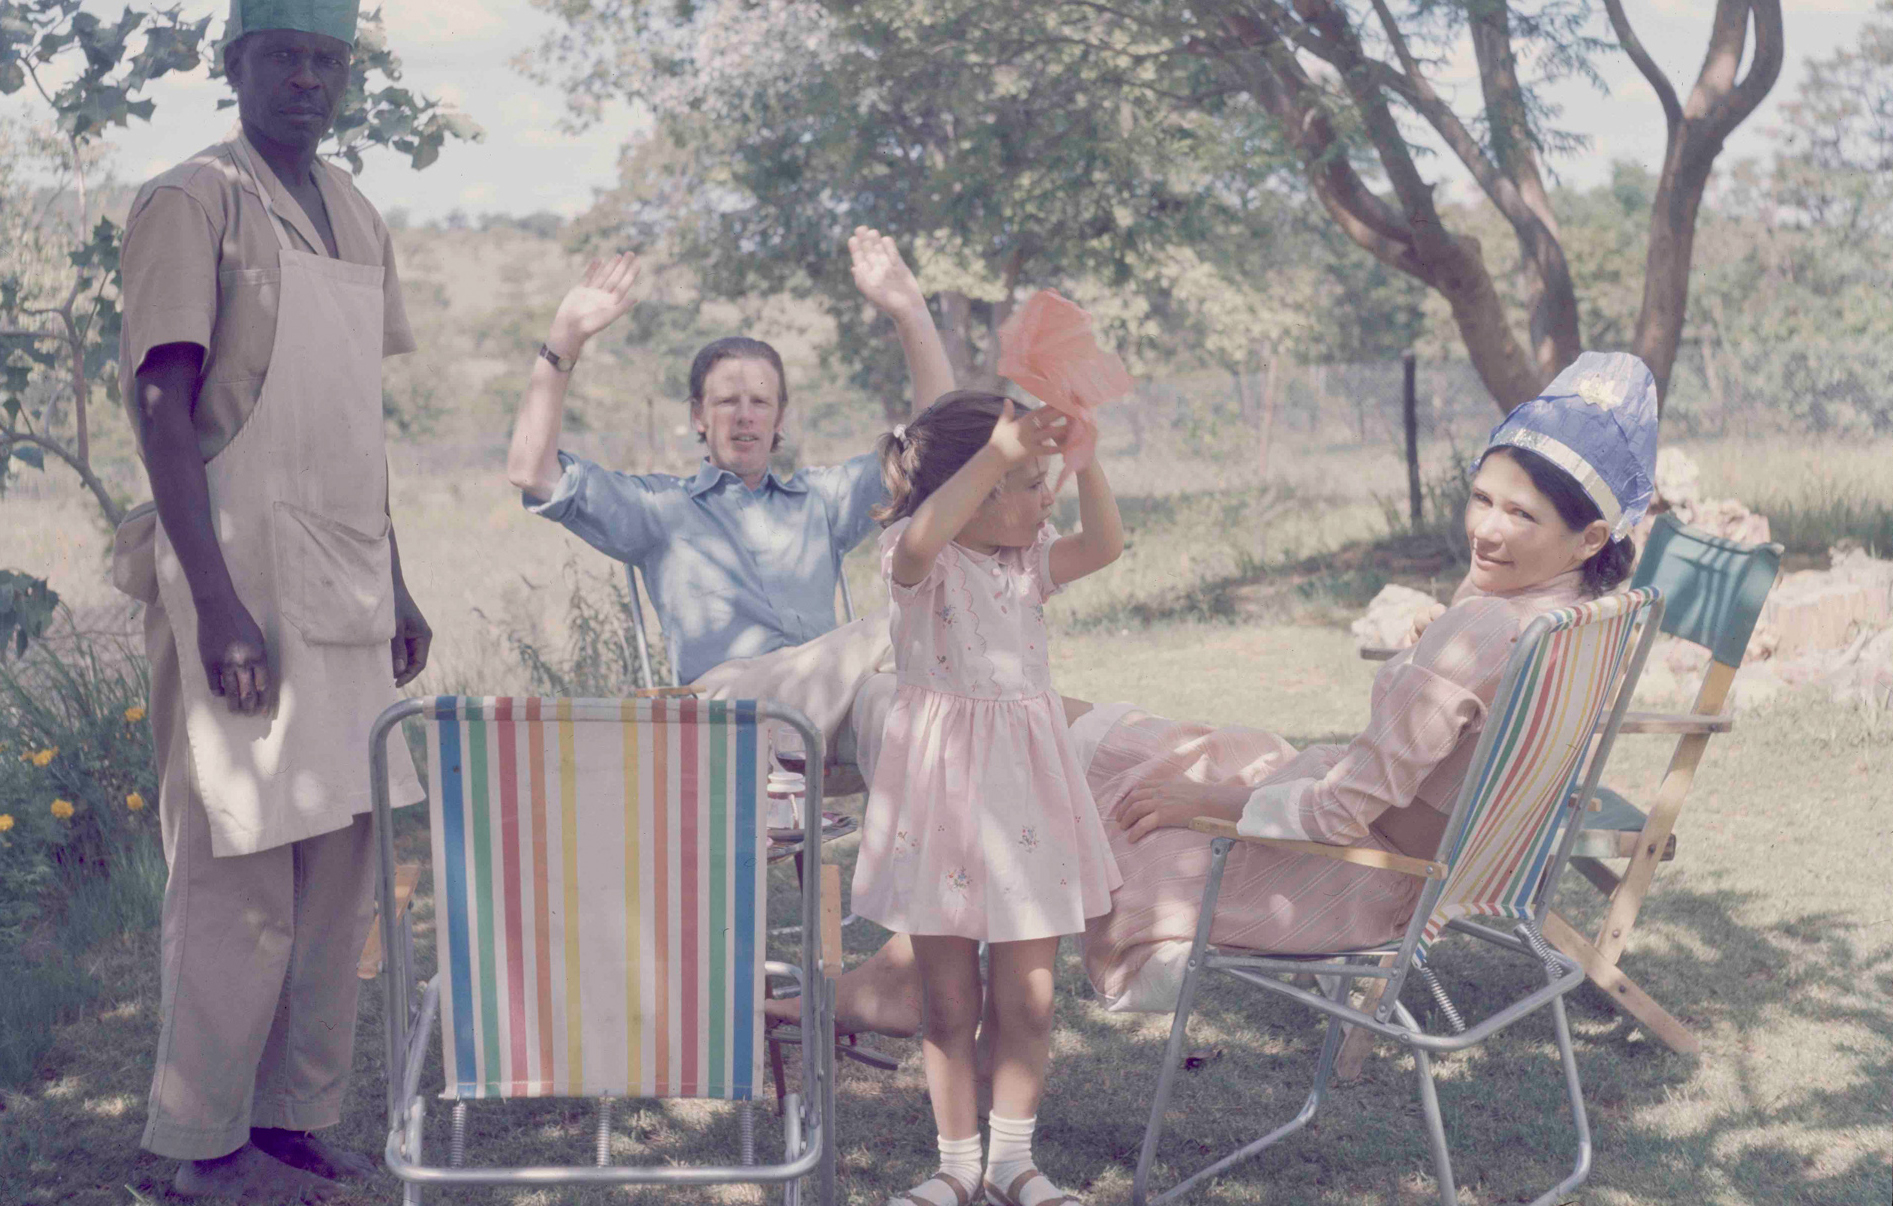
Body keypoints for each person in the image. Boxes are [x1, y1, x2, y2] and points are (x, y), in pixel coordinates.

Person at [803, 349, 1659, 1031]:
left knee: (1065, 794)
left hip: (1352, 874)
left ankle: (909, 963)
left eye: (1519, 515)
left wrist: (1209, 805)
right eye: (1481, 499)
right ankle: (898, 939)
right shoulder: (1580, 622)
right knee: (1103, 742)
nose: (1487, 530)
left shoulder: (1483, 633)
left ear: (1588, 537)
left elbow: (1339, 812)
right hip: (1396, 850)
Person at [111, 0, 430, 1202]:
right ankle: (199, 1146)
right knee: (238, 870)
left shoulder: (354, 209)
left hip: (345, 579)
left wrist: (397, 578)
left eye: (326, 60)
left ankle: (295, 1121)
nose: (306, 79)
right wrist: (217, 604)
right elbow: (161, 405)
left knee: (336, 870)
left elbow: (357, 422)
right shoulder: (194, 199)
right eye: (282, 55)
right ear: (233, 60)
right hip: (236, 578)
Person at [851, 390, 1125, 1206]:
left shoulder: (1025, 560)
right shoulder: (917, 560)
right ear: (975, 491)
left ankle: (1012, 1162)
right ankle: (955, 1165)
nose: (1045, 500)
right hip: (939, 801)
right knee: (945, 1001)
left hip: (1026, 801)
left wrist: (1085, 460)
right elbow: (926, 534)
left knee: (1028, 998)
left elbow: (1104, 545)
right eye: (1030, 484)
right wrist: (999, 454)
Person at [505, 229, 954, 687]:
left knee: (889, 692)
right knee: (883, 648)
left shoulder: (820, 501)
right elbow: (530, 471)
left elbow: (936, 442)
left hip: (825, 701)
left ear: (779, 417)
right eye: (726, 402)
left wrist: (911, 315)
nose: (744, 417)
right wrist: (563, 342)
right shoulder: (660, 510)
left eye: (759, 403)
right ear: (698, 415)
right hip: (728, 710)